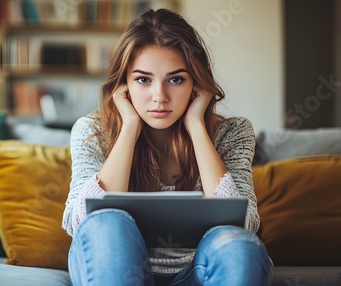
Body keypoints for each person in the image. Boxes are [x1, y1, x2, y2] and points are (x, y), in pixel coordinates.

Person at [62, 8, 273, 286]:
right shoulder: (91, 132)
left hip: (200, 271)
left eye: (176, 79)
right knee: (106, 224)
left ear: (196, 83)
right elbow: (82, 223)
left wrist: (197, 126)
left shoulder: (232, 133)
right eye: (143, 79)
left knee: (239, 245)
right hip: (118, 269)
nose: (159, 96)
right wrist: (129, 128)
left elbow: (243, 224)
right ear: (123, 84)